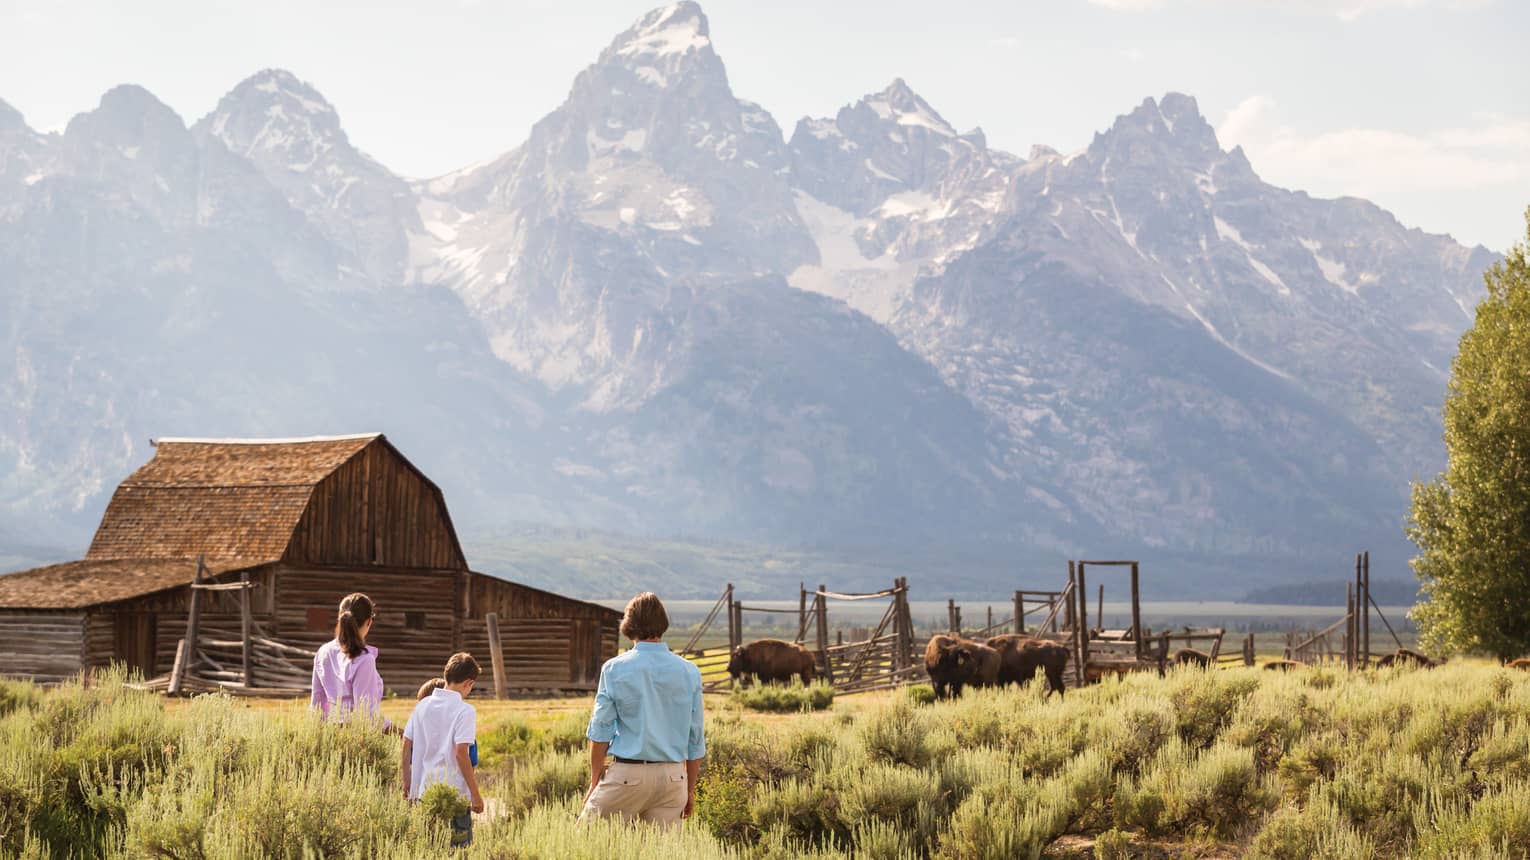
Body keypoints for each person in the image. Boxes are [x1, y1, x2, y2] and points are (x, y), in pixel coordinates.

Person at [579, 592, 706, 827]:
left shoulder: (614, 669)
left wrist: (594, 779)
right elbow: (695, 738)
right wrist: (689, 790)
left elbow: (601, 730)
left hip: (628, 775)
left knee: (585, 841)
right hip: (673, 779)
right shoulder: (689, 671)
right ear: (663, 623)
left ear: (629, 625)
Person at [402, 653, 485, 848]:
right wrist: (475, 794)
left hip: (425, 792)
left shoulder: (422, 706)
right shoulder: (465, 711)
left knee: (430, 849)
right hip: (455, 795)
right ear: (469, 683)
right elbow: (461, 753)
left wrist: (407, 784)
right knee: (458, 851)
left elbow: (406, 745)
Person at [310, 592, 388, 726]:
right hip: (355, 738)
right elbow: (367, 716)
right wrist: (402, 734)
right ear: (369, 621)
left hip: (329, 734)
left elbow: (317, 706)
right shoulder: (364, 659)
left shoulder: (323, 652)